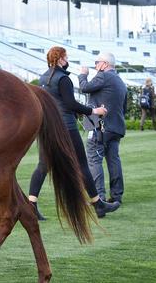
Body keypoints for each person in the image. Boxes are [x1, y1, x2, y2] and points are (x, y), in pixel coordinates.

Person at [29, 47, 120, 219]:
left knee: (43, 165)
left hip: (47, 127)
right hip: (66, 127)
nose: (67, 59)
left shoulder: (42, 78)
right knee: (82, 165)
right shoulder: (63, 79)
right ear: (61, 59)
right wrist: (95, 111)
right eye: (66, 57)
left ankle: (31, 204)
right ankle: (98, 205)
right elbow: (71, 104)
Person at [79, 53, 128, 204]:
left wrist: (83, 75)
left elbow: (84, 88)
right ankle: (117, 196)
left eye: (97, 62)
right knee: (114, 161)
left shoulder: (103, 76)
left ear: (104, 64)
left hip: (99, 126)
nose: (95, 66)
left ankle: (99, 197)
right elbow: (123, 108)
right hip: (116, 127)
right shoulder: (120, 81)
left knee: (94, 160)